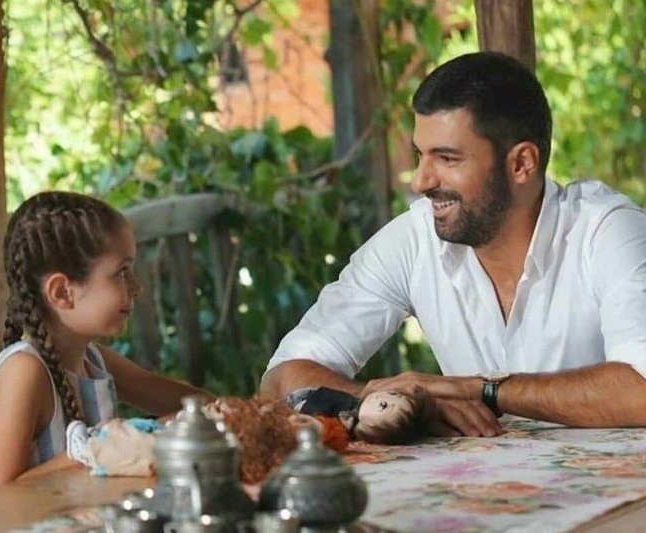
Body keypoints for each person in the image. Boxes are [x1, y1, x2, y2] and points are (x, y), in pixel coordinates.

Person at [260, 51, 646, 438]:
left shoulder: (608, 231)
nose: (420, 181)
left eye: (447, 158)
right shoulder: (415, 240)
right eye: (420, 155)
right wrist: (392, 405)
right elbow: (282, 378)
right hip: (484, 478)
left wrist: (484, 390)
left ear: (521, 164)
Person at [0, 191, 213, 489]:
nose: (137, 287)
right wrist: (95, 451)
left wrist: (237, 411)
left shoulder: (94, 360)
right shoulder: (25, 371)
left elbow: (193, 406)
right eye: (121, 272)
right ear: (62, 292)